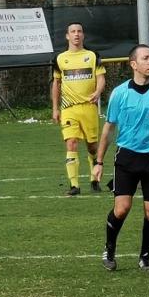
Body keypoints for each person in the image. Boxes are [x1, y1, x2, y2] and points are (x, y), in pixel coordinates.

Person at [90, 44, 149, 272]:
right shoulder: (120, 93)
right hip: (127, 158)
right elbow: (108, 129)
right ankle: (109, 250)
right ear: (133, 64)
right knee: (122, 208)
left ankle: (145, 256)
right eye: (146, 58)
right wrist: (98, 162)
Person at [51, 22, 106, 195]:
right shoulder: (60, 58)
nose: (76, 34)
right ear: (67, 36)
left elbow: (101, 77)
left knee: (92, 147)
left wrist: (97, 91)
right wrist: (55, 108)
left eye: (79, 31)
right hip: (69, 108)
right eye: (73, 32)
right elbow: (56, 84)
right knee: (72, 143)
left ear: (83, 35)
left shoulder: (92, 56)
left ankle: (94, 179)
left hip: (89, 108)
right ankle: (74, 185)